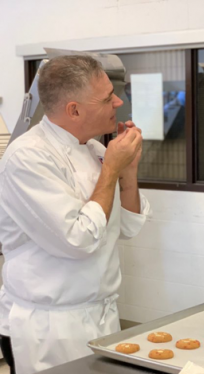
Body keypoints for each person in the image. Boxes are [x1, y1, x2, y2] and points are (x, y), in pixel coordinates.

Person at [0, 55, 151, 374]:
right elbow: (78, 239)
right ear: (74, 109)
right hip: (48, 327)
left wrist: (129, 172)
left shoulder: (94, 150)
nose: (118, 102)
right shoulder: (27, 157)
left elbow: (127, 226)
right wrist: (112, 169)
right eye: (108, 97)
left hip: (100, 315)